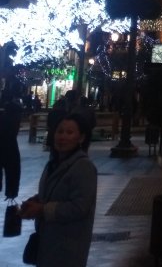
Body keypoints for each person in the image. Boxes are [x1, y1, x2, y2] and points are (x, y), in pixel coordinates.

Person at [20, 113, 97, 267]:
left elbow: (79, 207)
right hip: (48, 243)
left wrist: (42, 209)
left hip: (68, 246)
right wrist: (35, 202)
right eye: (59, 131)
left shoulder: (83, 167)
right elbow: (54, 193)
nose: (62, 137)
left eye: (69, 132)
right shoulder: (54, 163)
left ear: (81, 138)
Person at [0, 88, 22, 200]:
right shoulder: (14, 118)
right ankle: (11, 192)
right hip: (10, 147)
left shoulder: (4, 116)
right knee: (13, 170)